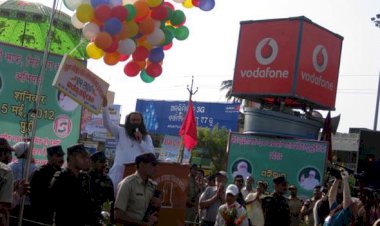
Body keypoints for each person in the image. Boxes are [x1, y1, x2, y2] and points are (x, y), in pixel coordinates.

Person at [102, 97, 155, 190]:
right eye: (133, 120)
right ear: (128, 122)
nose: (135, 122)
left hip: (136, 176)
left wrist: (140, 141)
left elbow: (152, 155)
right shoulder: (121, 131)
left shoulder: (146, 137)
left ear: (141, 122)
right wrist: (104, 107)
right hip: (118, 174)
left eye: (138, 120)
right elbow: (107, 123)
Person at [49, 144, 92, 226]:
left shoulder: (84, 178)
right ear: (71, 157)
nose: (86, 160)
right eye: (82, 157)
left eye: (87, 157)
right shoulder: (61, 177)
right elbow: (53, 205)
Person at [114, 152, 160, 226]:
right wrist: (144, 224)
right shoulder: (127, 184)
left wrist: (157, 206)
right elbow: (118, 216)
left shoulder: (152, 186)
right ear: (142, 165)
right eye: (153, 164)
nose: (155, 168)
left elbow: (152, 214)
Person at [29, 145, 65, 225]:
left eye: (62, 156)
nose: (62, 159)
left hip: (56, 216)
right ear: (49, 157)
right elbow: (34, 196)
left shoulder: (63, 173)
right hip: (41, 215)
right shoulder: (40, 172)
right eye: (58, 156)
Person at [8, 141, 36, 225]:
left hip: (12, 204)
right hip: (26, 206)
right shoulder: (34, 167)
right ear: (26, 152)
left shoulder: (10, 166)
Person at [88, 151, 115, 226]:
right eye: (101, 162)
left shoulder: (106, 180)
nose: (104, 164)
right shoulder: (84, 177)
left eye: (105, 162)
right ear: (92, 163)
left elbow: (112, 201)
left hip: (98, 217)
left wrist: (112, 220)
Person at [0, 138, 14, 226]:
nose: (10, 156)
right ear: (2, 153)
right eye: (9, 152)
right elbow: (4, 205)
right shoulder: (6, 171)